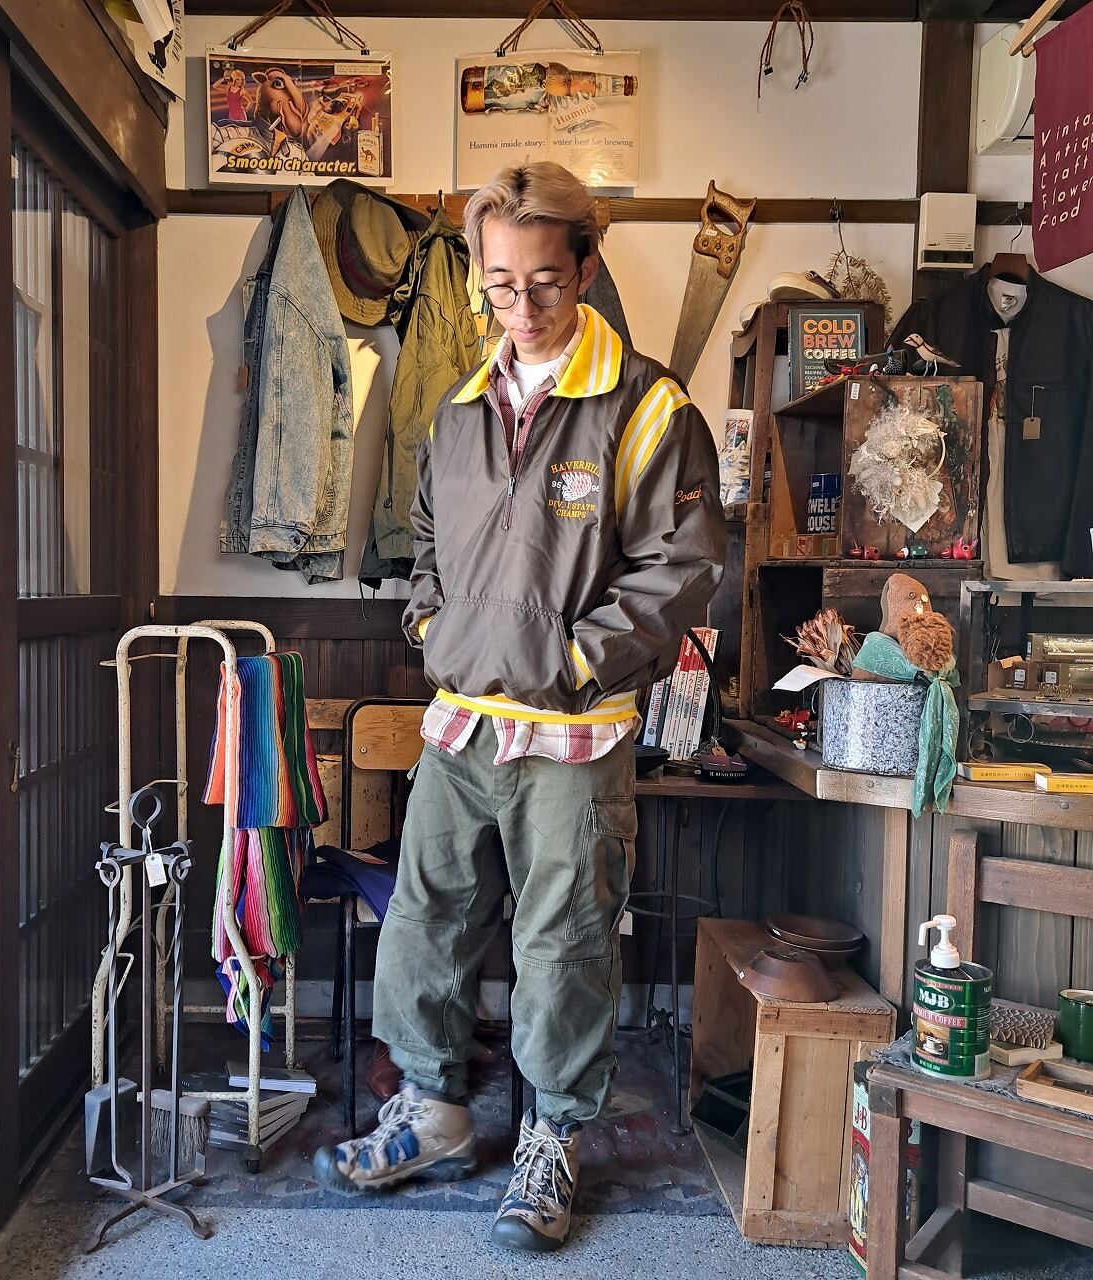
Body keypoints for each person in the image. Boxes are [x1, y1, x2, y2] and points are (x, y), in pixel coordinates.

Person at [312, 162, 725, 1253]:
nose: (521, 304)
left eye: (543, 279)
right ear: (479, 278)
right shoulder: (456, 409)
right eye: (500, 283)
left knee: (565, 940)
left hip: (575, 735)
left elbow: (681, 569)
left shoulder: (648, 405)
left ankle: (551, 1139)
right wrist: (430, 631)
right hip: (460, 722)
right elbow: (426, 543)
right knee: (425, 918)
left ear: (584, 266)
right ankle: (435, 1112)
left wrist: (576, 661)